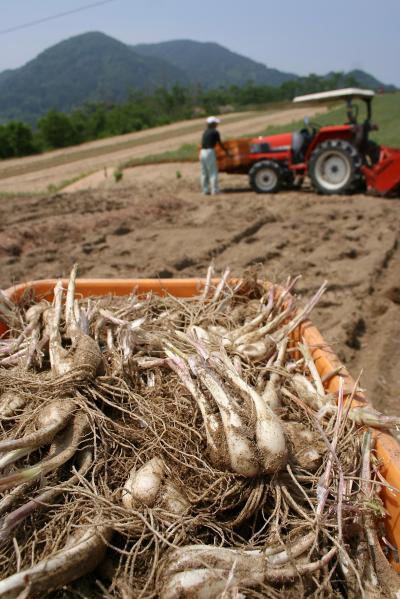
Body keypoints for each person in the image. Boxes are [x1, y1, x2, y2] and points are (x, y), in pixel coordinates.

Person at [200, 116, 230, 195]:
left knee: (204, 172)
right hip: (210, 152)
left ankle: (205, 190)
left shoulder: (205, 132)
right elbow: (219, 143)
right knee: (213, 172)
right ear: (213, 124)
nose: (217, 124)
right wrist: (226, 151)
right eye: (216, 123)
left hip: (202, 152)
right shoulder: (215, 132)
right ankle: (215, 190)